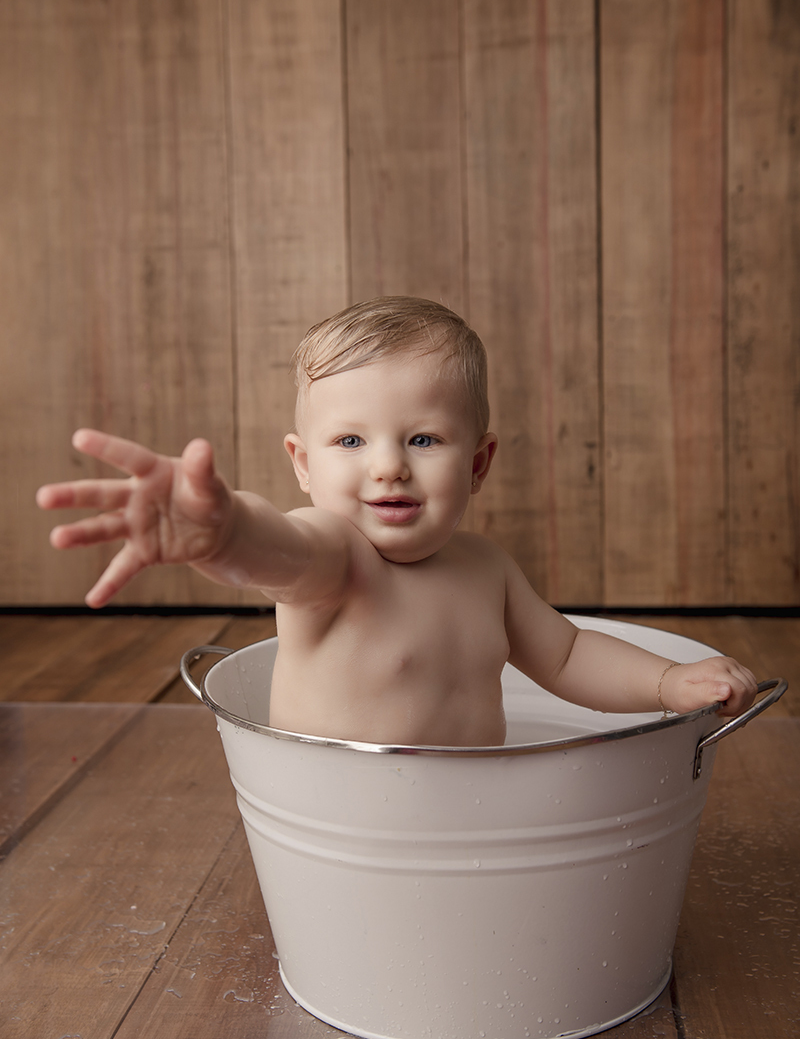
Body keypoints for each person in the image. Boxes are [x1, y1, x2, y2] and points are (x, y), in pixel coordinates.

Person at [36, 296, 757, 745]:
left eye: (424, 439)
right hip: (346, 817)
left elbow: (566, 657)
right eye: (351, 441)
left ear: (477, 463)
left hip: (474, 815)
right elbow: (274, 548)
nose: (388, 466)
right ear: (303, 464)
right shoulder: (335, 557)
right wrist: (222, 534)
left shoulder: (488, 569)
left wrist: (669, 683)